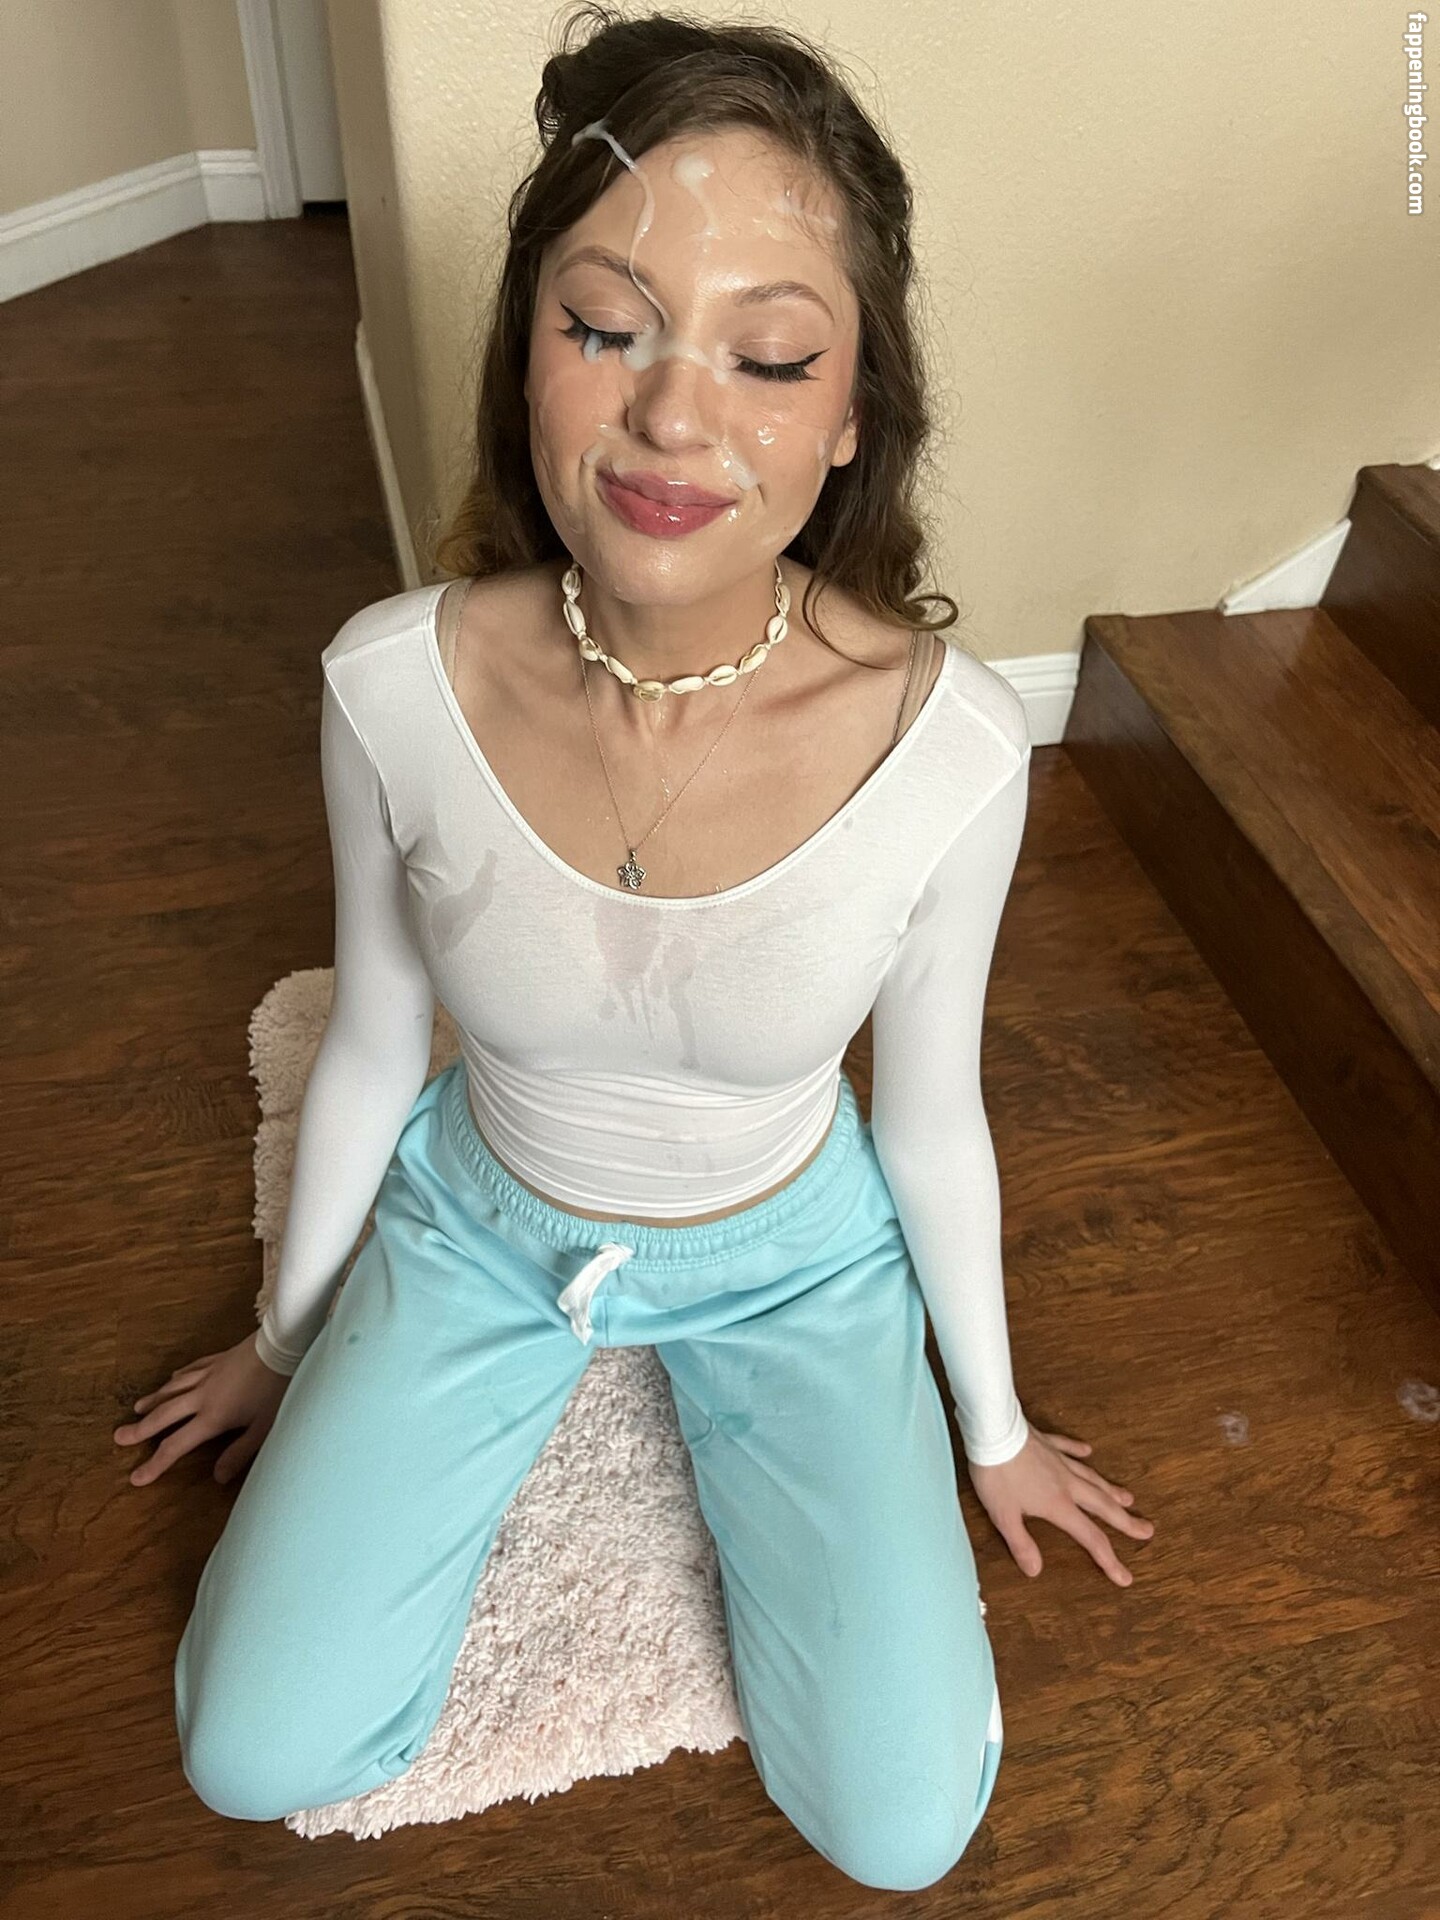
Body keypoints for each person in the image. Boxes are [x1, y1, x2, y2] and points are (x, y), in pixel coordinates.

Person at [114, 4, 1154, 1889]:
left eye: (769, 357)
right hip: (482, 1219)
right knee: (251, 1749)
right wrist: (285, 1338)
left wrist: (990, 1426)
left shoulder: (952, 752)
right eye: (605, 328)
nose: (675, 417)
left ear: (853, 414)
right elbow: (373, 1039)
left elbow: (931, 1116)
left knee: (902, 1831)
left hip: (795, 1263)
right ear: (526, 353)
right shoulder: (390, 687)